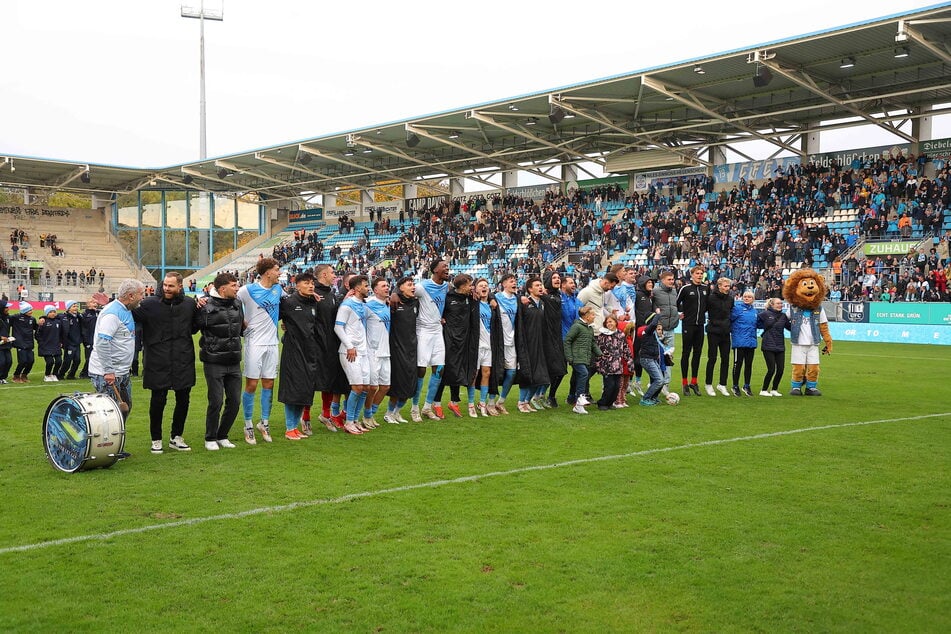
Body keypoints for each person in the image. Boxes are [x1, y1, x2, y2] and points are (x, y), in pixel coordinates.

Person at [133, 272, 198, 454]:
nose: (167, 289)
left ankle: (176, 437)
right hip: (157, 359)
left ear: (180, 286)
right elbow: (128, 314)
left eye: (171, 286)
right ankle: (156, 439)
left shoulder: (189, 305)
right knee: (158, 400)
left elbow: (195, 327)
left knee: (183, 399)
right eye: (165, 285)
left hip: (183, 358)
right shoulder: (149, 304)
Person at [193, 273, 244, 451]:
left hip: (234, 360)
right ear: (222, 289)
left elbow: (240, 328)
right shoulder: (205, 306)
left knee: (235, 401)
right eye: (233, 285)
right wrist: (196, 302)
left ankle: (223, 435)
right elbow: (193, 327)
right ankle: (210, 437)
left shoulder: (238, 304)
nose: (237, 288)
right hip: (214, 360)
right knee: (216, 401)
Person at [236, 258, 282, 444]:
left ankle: (264, 422)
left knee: (269, 384)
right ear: (267, 272)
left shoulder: (279, 289)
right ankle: (248, 424)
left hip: (273, 343)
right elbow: (230, 303)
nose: (280, 273)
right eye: (277, 270)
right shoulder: (247, 290)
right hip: (254, 343)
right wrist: (242, 324)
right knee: (252, 384)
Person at [88, 279, 146, 422]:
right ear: (131, 296)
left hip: (122, 372)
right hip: (107, 374)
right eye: (141, 294)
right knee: (110, 415)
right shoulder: (112, 315)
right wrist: (108, 370)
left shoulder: (124, 309)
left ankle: (115, 441)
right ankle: (106, 443)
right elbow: (102, 343)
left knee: (124, 408)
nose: (142, 298)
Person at [277, 270, 319, 440]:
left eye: (312, 283)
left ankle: (295, 427)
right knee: (292, 389)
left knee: (305, 389)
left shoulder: (313, 302)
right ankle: (289, 428)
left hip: (310, 351)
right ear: (297, 285)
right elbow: (272, 315)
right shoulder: (288, 302)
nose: (310, 286)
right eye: (306, 283)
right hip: (293, 350)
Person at [411, 259, 450, 422]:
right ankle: (414, 408)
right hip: (424, 331)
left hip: (437, 331)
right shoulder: (422, 286)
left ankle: (427, 407)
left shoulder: (447, 286)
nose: (447, 268)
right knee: (421, 370)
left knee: (439, 369)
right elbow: (404, 293)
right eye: (444, 267)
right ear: (435, 270)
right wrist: (394, 295)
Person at [313, 264, 350, 430]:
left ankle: (326, 414)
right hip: (316, 344)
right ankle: (305, 417)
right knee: (312, 381)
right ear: (324, 274)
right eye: (332, 272)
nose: (335, 275)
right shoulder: (312, 293)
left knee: (329, 379)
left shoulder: (332, 294)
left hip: (331, 342)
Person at [437, 274, 478, 418]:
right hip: (449, 339)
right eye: (469, 284)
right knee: (444, 371)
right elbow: (437, 311)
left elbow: (487, 295)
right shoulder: (448, 297)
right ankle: (436, 403)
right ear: (461, 285)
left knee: (459, 369)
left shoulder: (469, 298)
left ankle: (454, 402)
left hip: (464, 340)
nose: (471, 287)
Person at [334, 275, 372, 435]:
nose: (368, 288)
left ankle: (355, 420)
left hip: (363, 352)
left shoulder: (363, 305)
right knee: (356, 387)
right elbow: (338, 327)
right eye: (365, 285)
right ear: (356, 288)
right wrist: (349, 346)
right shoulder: (347, 306)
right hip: (350, 352)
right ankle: (349, 422)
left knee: (365, 388)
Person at [384, 276, 418, 423]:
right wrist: (394, 293)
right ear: (401, 288)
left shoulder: (416, 302)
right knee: (398, 383)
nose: (413, 287)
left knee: (411, 383)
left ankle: (397, 412)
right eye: (409, 285)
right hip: (397, 348)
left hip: (412, 347)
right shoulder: (392, 303)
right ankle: (388, 413)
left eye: (413, 284)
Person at [515, 276, 550, 413]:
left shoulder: (542, 303)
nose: (540, 287)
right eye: (537, 285)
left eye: (541, 285)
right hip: (527, 344)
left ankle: (527, 401)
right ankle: (521, 402)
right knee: (527, 374)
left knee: (541, 376)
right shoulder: (524, 303)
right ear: (530, 289)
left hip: (540, 344)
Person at [363, 277, 392, 426]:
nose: (387, 288)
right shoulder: (368, 305)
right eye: (383, 286)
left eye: (387, 285)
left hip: (386, 351)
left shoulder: (389, 304)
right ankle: (366, 415)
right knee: (372, 387)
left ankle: (371, 414)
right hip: (372, 351)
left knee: (385, 387)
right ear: (375, 290)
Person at [677, 265, 709, 396]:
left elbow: (707, 306)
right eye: (697, 273)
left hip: (700, 325)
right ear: (692, 275)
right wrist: (680, 313)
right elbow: (676, 302)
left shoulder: (706, 289)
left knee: (697, 354)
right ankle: (684, 383)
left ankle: (694, 382)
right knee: (686, 353)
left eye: (701, 273)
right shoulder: (685, 289)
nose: (700, 275)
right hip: (688, 325)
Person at [563, 305, 600, 414]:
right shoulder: (577, 327)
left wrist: (600, 354)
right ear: (587, 316)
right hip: (577, 357)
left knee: (579, 376)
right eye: (593, 314)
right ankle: (579, 397)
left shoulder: (589, 328)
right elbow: (567, 341)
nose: (594, 317)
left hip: (585, 357)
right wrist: (569, 357)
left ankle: (578, 404)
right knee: (584, 374)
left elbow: (592, 343)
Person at [493, 273, 520, 415]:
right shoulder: (496, 298)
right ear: (504, 284)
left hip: (512, 342)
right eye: (511, 281)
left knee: (512, 372)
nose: (514, 283)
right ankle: (487, 402)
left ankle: (501, 401)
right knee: (491, 372)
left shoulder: (517, 300)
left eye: (515, 281)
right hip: (497, 342)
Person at [594, 315, 634, 410]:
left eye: (611, 321)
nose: (609, 324)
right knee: (609, 385)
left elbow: (626, 350)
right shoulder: (602, 335)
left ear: (616, 322)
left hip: (618, 365)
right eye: (607, 322)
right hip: (607, 365)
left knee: (617, 386)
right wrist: (599, 364)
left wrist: (630, 364)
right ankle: (603, 403)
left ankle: (610, 403)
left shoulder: (620, 335)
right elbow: (598, 350)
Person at [541, 271, 568, 408]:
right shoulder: (544, 295)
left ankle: (551, 395)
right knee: (552, 368)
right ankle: (541, 396)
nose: (557, 279)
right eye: (554, 277)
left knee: (562, 368)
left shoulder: (558, 296)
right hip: (546, 337)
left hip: (557, 336)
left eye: (558, 277)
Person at [704, 277, 734, 397]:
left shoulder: (730, 299)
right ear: (720, 286)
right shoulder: (711, 298)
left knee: (725, 359)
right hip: (713, 332)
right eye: (726, 286)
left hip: (726, 332)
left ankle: (722, 384)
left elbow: (730, 313)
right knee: (712, 358)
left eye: (729, 286)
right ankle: (708, 384)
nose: (728, 288)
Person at [756, 296, 790, 396]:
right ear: (772, 304)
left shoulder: (783, 316)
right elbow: (757, 323)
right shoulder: (765, 314)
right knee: (771, 369)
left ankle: (774, 389)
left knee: (780, 370)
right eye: (778, 303)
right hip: (768, 345)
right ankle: (763, 390)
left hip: (780, 345)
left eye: (781, 303)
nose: (780, 305)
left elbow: (790, 327)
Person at [653, 270, 679, 396]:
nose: (671, 281)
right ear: (662, 280)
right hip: (659, 330)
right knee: (658, 357)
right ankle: (656, 382)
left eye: (672, 279)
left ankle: (666, 385)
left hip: (671, 328)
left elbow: (675, 307)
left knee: (669, 358)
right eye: (669, 279)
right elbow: (652, 306)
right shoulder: (655, 291)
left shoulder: (674, 291)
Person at [730, 290, 758, 397]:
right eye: (745, 296)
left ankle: (747, 385)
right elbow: (730, 320)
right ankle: (735, 385)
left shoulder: (754, 311)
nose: (747, 298)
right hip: (739, 341)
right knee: (738, 364)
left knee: (748, 365)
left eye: (749, 297)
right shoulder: (737, 309)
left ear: (753, 299)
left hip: (751, 342)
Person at [637, 312, 666, 406]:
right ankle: (645, 398)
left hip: (652, 359)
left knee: (660, 380)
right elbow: (653, 324)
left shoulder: (652, 332)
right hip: (647, 359)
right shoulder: (647, 330)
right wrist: (658, 314)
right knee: (659, 380)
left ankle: (653, 397)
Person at [36, 304, 64, 382]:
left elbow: (61, 333)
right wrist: (41, 343)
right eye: (50, 312)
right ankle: (47, 375)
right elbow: (37, 334)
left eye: (54, 312)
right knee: (50, 362)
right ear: (47, 313)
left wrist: (61, 341)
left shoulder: (58, 321)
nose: (53, 313)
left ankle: (54, 374)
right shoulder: (43, 322)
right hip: (46, 346)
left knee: (59, 361)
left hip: (56, 345)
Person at [10, 302, 36, 383]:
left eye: (31, 310)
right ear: (24, 311)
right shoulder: (16, 317)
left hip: (29, 343)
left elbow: (37, 328)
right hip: (20, 343)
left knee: (31, 361)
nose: (31, 311)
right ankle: (16, 376)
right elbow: (5, 321)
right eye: (29, 310)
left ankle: (24, 375)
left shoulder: (32, 319)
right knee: (23, 361)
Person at [59, 301, 83, 380]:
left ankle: (71, 375)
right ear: (68, 308)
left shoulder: (79, 317)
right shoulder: (63, 317)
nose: (76, 308)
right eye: (73, 306)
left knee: (77, 360)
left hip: (77, 342)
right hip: (69, 343)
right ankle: (61, 374)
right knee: (67, 361)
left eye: (76, 306)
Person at [79, 296, 100, 379]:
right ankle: (84, 373)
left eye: (96, 303)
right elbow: (83, 328)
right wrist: (85, 339)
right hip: (89, 339)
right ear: (88, 304)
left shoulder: (99, 313)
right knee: (89, 357)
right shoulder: (84, 315)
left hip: (98, 339)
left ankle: (93, 372)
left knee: (97, 357)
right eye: (92, 302)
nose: (95, 304)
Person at [0, 299, 13, 384]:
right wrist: (1, 337)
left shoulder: (8, 318)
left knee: (9, 361)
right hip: (0, 344)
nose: (8, 309)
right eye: (6, 307)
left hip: (7, 344)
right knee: (2, 362)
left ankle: (3, 377)